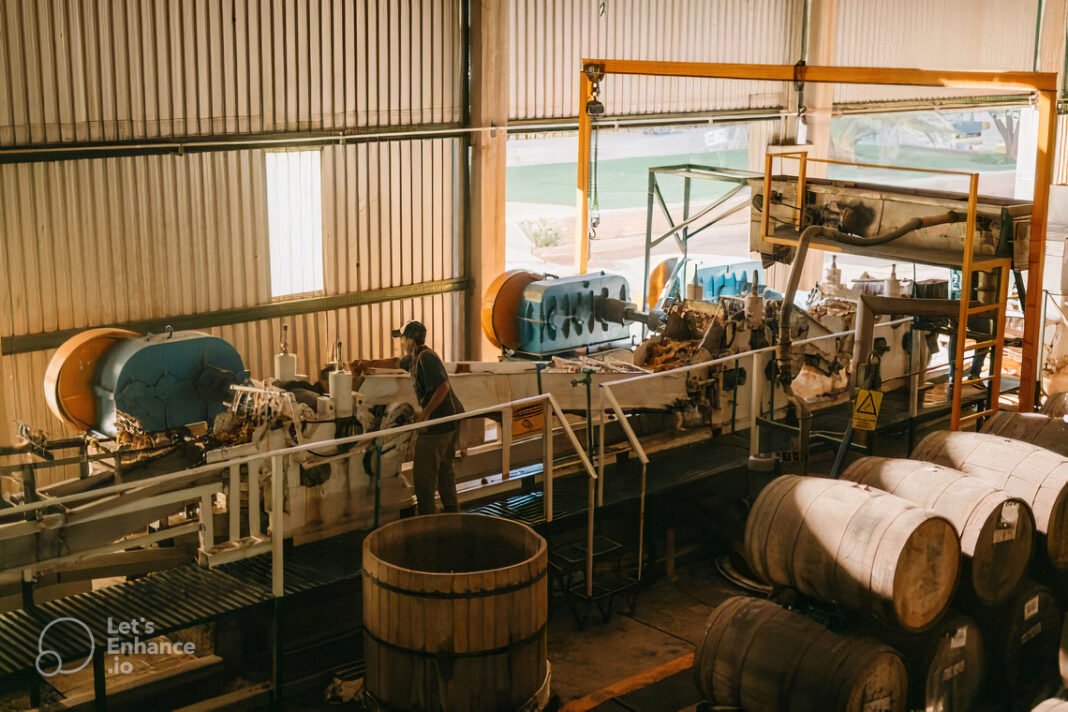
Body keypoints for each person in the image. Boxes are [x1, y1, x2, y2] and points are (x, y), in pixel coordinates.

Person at [352, 321, 464, 515]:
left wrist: (426, 413)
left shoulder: (426, 358)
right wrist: (367, 363)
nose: (402, 342)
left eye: (403, 338)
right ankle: (453, 515)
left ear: (411, 339)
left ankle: (427, 521)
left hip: (440, 423)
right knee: (445, 470)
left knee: (423, 477)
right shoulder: (415, 358)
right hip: (450, 420)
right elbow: (395, 362)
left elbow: (443, 387)